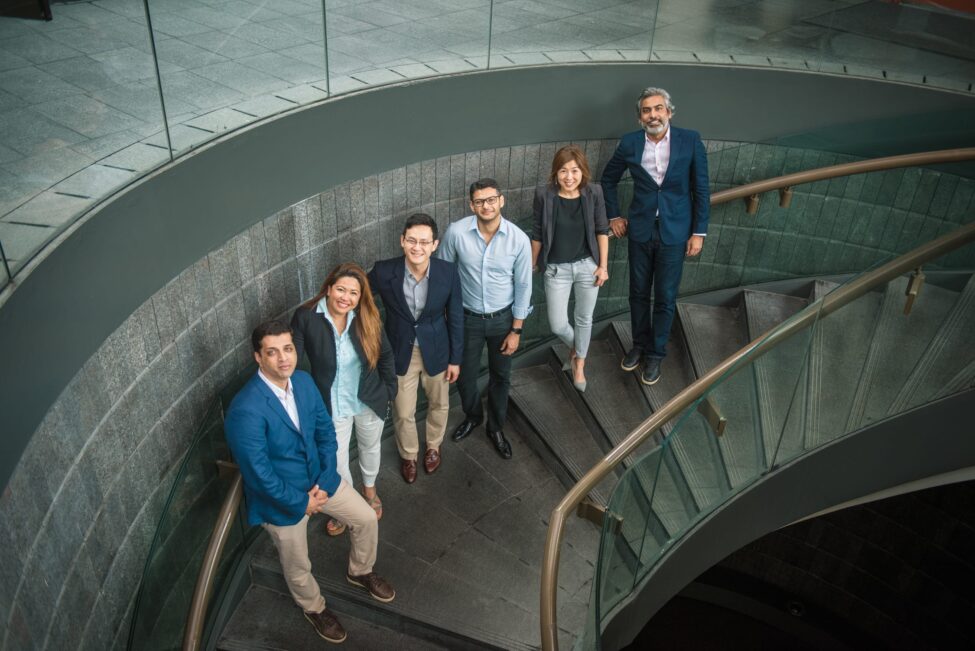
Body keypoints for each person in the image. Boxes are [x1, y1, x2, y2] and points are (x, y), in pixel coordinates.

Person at [225, 320, 395, 644]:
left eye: (287, 349)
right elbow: (259, 474)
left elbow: (325, 433)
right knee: (298, 563)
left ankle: (359, 571)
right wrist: (302, 502)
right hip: (282, 500)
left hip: (321, 480)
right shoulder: (245, 409)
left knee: (365, 518)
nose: (283, 358)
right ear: (257, 357)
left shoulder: (302, 382)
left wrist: (325, 479)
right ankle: (314, 607)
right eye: (272, 352)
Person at [601, 86, 710, 385]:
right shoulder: (630, 143)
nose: (653, 114)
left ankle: (656, 355)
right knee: (637, 293)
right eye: (647, 110)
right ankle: (638, 346)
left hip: (675, 234)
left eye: (658, 108)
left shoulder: (690, 140)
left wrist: (698, 232)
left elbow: (700, 189)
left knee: (665, 297)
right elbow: (607, 179)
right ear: (640, 118)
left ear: (669, 112)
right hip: (640, 230)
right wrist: (614, 216)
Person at [290, 263, 397, 536]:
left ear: (360, 298)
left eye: (353, 293)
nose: (345, 297)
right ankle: (346, 506)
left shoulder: (367, 318)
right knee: (335, 461)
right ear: (328, 289)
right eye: (340, 289)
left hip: (368, 400)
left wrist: (389, 392)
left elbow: (385, 356)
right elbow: (293, 363)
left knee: (370, 448)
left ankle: (369, 492)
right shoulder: (306, 317)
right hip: (331, 405)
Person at [439, 178, 532, 459]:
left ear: (501, 200)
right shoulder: (456, 232)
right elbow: (443, 274)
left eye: (491, 199)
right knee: (465, 376)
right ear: (472, 205)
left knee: (500, 376)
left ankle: (496, 427)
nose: (486, 205)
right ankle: (473, 416)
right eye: (480, 201)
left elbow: (524, 286)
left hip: (503, 321)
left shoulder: (518, 239)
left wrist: (516, 330)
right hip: (467, 320)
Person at [368, 213, 464, 484]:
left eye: (424, 242)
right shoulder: (385, 271)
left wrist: (455, 359)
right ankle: (409, 455)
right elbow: (358, 292)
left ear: (435, 244)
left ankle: (433, 446)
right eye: (412, 240)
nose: (417, 247)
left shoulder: (448, 272)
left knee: (439, 403)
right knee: (402, 411)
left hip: (437, 349)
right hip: (400, 350)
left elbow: (456, 316)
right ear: (402, 241)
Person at [531, 145, 610, 393]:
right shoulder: (544, 195)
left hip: (588, 266)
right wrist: (533, 262)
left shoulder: (594, 192)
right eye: (563, 171)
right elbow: (537, 232)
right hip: (556, 269)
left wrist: (603, 267)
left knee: (584, 318)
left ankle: (579, 365)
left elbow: (601, 230)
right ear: (555, 173)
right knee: (557, 324)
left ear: (582, 171)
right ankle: (577, 349)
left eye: (574, 171)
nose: (569, 177)